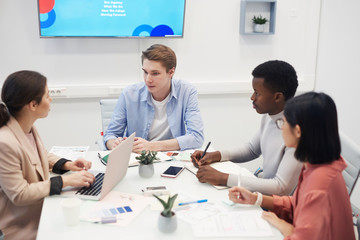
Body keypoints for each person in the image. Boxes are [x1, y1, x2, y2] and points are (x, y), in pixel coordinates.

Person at [228, 92, 355, 239]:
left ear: (298, 131)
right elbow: (298, 203)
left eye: (284, 122)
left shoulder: (319, 184)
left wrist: (287, 228)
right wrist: (256, 198)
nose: (281, 128)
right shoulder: (318, 163)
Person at [0, 71, 95, 240]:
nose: (51, 99)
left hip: (42, 210)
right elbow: (19, 194)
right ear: (33, 105)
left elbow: (39, 155)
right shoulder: (4, 142)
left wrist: (68, 165)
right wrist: (65, 181)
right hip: (22, 224)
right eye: (47, 95)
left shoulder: (27, 128)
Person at [191, 60, 302, 195]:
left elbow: (281, 188)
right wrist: (215, 155)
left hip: (279, 207)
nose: (252, 97)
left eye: (257, 93)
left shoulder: (296, 131)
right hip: (265, 197)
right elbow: (252, 149)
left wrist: (223, 178)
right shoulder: (269, 117)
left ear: (277, 97)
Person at [104, 44, 204, 152]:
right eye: (145, 72)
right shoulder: (129, 94)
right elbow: (110, 135)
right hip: (138, 160)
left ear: (171, 72)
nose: (148, 79)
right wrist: (115, 144)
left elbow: (196, 137)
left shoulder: (187, 92)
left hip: (172, 157)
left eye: (155, 73)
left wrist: (152, 146)